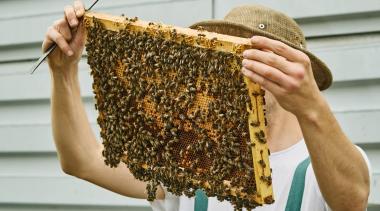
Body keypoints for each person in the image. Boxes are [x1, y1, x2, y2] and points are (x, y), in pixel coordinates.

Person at [43, 1, 371, 210]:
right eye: (221, 55)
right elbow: (82, 160)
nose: (232, 69)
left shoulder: (324, 163)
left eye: (249, 58)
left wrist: (311, 104)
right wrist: (63, 72)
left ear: (293, 73)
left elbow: (351, 199)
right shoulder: (191, 160)